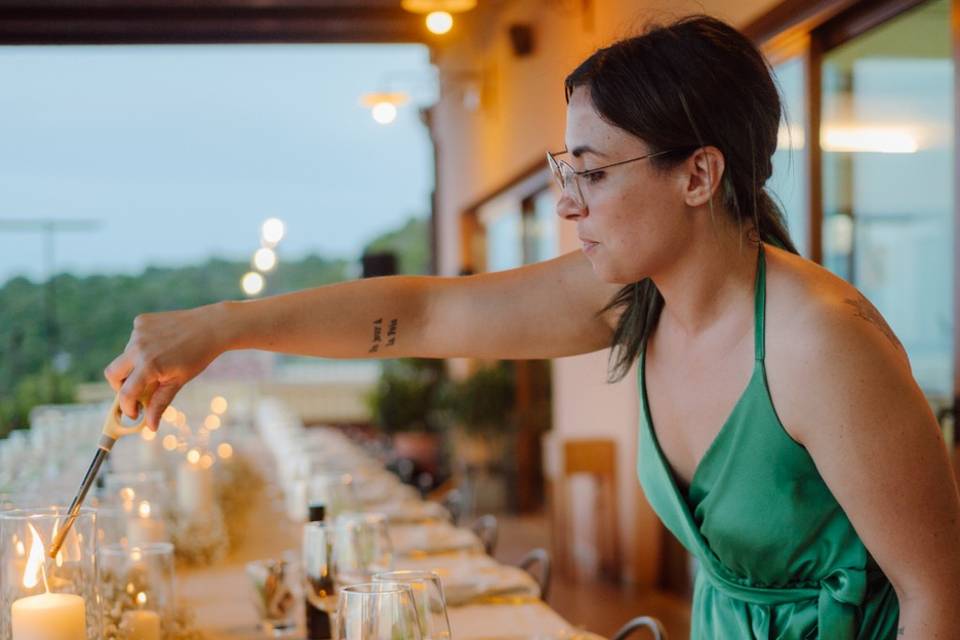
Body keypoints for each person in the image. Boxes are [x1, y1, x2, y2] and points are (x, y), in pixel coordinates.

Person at [105, 15, 960, 639]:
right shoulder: (637, 298)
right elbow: (425, 313)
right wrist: (220, 328)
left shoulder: (822, 343)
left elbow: (937, 595)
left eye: (591, 172)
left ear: (699, 175)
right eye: (563, 168)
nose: (566, 201)